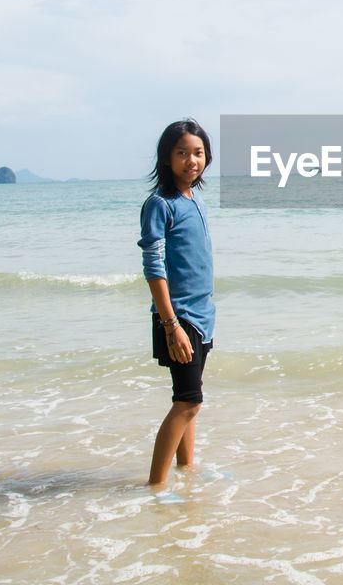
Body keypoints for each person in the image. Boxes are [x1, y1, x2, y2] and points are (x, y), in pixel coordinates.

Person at [138, 119, 215, 488]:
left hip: (202, 316)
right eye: (182, 153)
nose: (191, 161)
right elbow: (154, 268)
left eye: (197, 153)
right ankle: (156, 486)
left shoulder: (193, 198)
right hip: (178, 318)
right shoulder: (160, 204)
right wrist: (171, 326)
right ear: (167, 158)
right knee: (189, 402)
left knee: (188, 400)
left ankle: (187, 470)